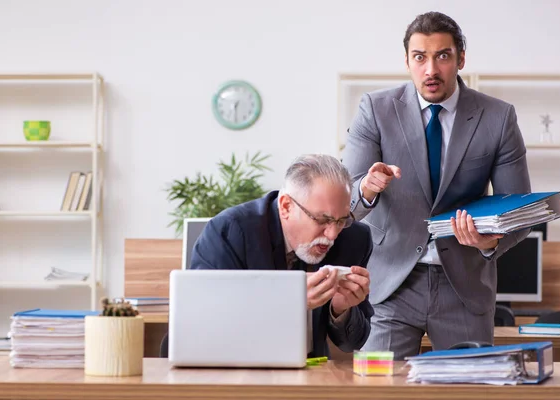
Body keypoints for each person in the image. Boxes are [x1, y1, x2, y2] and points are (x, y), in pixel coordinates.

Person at [342, 11, 531, 359]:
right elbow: (346, 202)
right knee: (378, 392)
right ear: (407, 61)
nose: (431, 69)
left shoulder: (498, 117)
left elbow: (517, 211)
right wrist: (367, 189)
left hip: (464, 286)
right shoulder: (375, 109)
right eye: (420, 57)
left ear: (460, 59)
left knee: (466, 391)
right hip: (390, 285)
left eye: (442, 56)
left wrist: (490, 242)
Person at [190, 154, 374, 358]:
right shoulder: (229, 232)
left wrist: (341, 310)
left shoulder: (354, 239)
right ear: (286, 206)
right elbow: (207, 322)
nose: (332, 235)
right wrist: (291, 299)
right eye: (323, 220)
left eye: (341, 220)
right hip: (237, 367)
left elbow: (353, 343)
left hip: (311, 376)